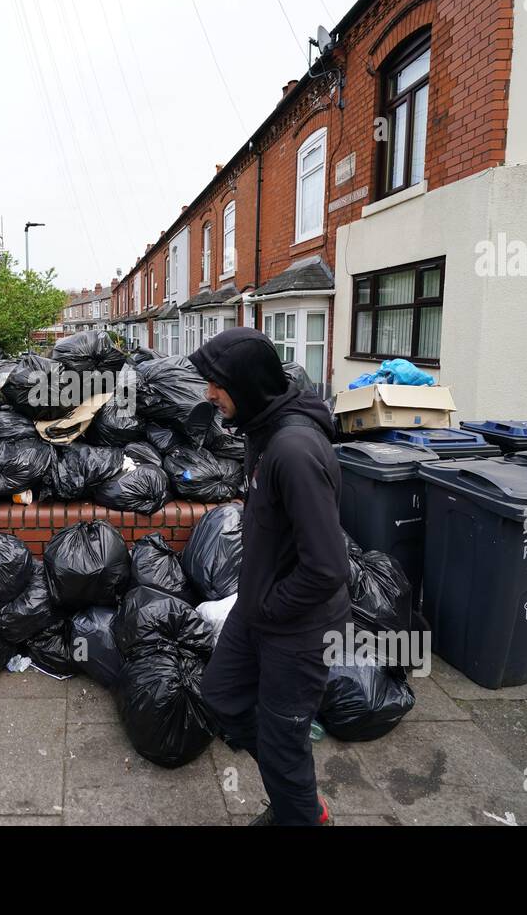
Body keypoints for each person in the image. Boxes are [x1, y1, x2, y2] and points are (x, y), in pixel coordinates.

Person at [188, 327, 350, 826]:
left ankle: (300, 812)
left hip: (297, 628)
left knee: (283, 746)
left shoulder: (294, 451)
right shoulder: (262, 430)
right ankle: (290, 791)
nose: (209, 394)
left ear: (248, 384)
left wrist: (270, 607)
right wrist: (256, 604)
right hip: (258, 610)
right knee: (221, 696)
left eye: (217, 383)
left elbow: (327, 567)